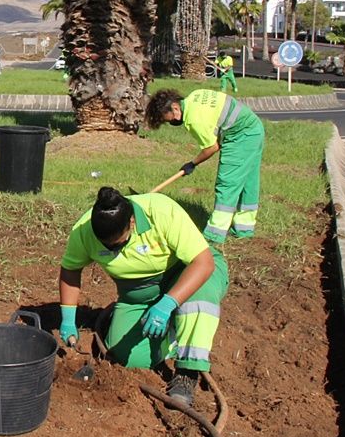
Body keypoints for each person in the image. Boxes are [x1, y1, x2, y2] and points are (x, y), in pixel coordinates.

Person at [58, 187, 228, 407]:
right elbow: (71, 269)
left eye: (119, 244)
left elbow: (203, 264)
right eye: (106, 247)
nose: (114, 251)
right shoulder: (83, 230)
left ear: (132, 223)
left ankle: (187, 371)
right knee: (129, 358)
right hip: (138, 294)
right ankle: (174, 334)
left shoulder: (161, 212)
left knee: (199, 303)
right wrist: (68, 318)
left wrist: (168, 303)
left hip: (188, 274)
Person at [146, 88, 265, 243]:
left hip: (240, 135)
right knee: (248, 181)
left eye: (167, 118)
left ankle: (214, 234)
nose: (170, 122)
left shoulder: (194, 119)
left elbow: (212, 147)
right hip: (255, 128)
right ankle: (244, 228)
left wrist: (192, 164)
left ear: (175, 107)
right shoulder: (195, 95)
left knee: (227, 183)